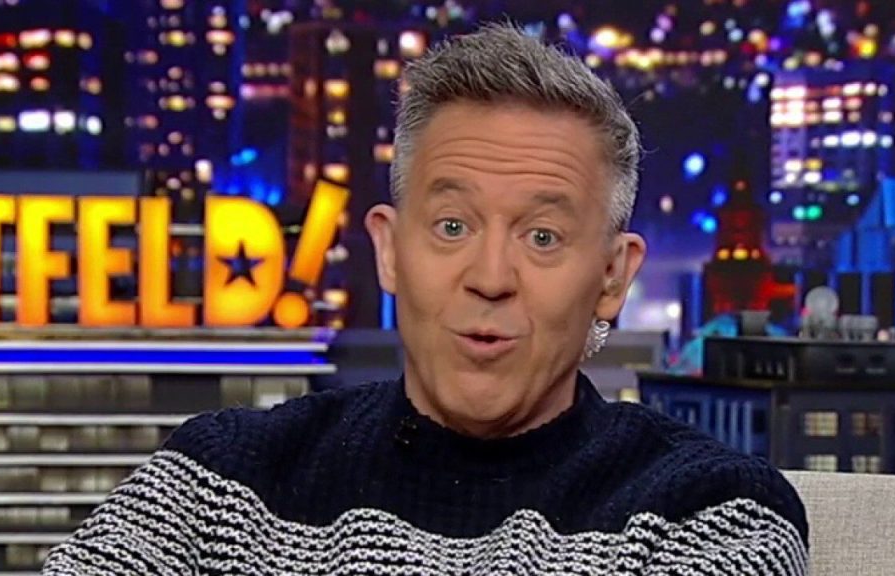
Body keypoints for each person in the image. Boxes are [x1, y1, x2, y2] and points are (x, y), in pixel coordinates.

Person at [45, 23, 808, 575]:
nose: (490, 276)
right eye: (452, 226)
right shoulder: (219, 480)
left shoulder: (710, 513)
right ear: (389, 250)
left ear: (612, 276)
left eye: (543, 236)